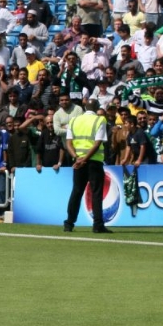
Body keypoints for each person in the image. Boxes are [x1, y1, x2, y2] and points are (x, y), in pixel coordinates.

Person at [63, 100, 111, 233]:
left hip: (79, 161)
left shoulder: (74, 120)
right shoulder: (99, 120)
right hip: (94, 161)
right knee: (96, 193)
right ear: (97, 108)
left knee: (77, 191)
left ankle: (69, 223)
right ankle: (97, 225)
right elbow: (97, 144)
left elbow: (68, 143)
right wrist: (85, 159)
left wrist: (77, 158)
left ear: (85, 107)